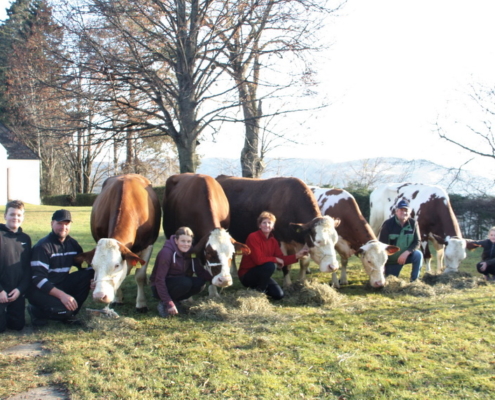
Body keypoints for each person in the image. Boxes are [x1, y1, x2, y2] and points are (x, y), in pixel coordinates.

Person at [27, 209, 94, 326]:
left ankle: (69, 313)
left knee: (88, 275)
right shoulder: (43, 247)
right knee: (64, 311)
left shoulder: (73, 244)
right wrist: (62, 296)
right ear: (52, 223)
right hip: (40, 290)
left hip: (60, 283)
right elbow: (38, 279)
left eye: (66, 224)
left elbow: (83, 267)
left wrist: (94, 281)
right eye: (59, 223)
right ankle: (35, 311)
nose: (63, 227)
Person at [238, 211, 308, 300]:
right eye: (264, 223)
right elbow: (258, 260)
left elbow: (281, 258)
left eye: (269, 223)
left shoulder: (273, 241)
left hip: (262, 275)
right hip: (247, 275)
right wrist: (275, 259)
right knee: (270, 266)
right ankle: (260, 294)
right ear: (259, 225)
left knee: (279, 295)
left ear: (273, 226)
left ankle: (255, 288)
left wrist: (297, 255)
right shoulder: (253, 237)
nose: (267, 225)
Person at [150, 227, 212, 317]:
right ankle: (165, 303)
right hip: (159, 286)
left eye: (189, 241)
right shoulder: (166, 253)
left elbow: (199, 271)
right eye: (183, 241)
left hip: (178, 283)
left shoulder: (191, 251)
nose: (186, 244)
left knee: (200, 283)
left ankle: (176, 301)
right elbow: (159, 280)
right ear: (176, 240)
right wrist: (169, 303)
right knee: (185, 282)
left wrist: (214, 279)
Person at [0, 200, 32, 333]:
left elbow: (27, 268)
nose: (15, 218)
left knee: (17, 326)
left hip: (16, 292)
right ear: (5, 216)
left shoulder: (25, 239)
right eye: (12, 214)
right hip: (1, 290)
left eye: (19, 215)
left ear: (23, 217)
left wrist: (20, 290)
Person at [378, 199, 423, 282]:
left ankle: (414, 281)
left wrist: (407, 252)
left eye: (406, 210)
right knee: (390, 281)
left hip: (406, 256)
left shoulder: (413, 223)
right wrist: (383, 265)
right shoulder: (388, 224)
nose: (404, 212)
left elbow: (418, 242)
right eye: (401, 210)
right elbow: (382, 245)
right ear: (396, 211)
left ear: (410, 212)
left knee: (418, 254)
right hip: (391, 260)